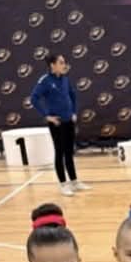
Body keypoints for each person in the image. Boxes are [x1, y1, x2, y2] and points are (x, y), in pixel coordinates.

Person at [31, 53, 91, 197]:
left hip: (69, 120)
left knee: (69, 152)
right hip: (57, 123)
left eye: (64, 62)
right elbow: (34, 98)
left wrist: (74, 112)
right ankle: (63, 184)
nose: (64, 65)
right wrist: (47, 116)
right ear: (53, 65)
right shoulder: (45, 81)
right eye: (61, 62)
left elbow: (73, 95)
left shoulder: (65, 79)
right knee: (60, 152)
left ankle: (74, 181)